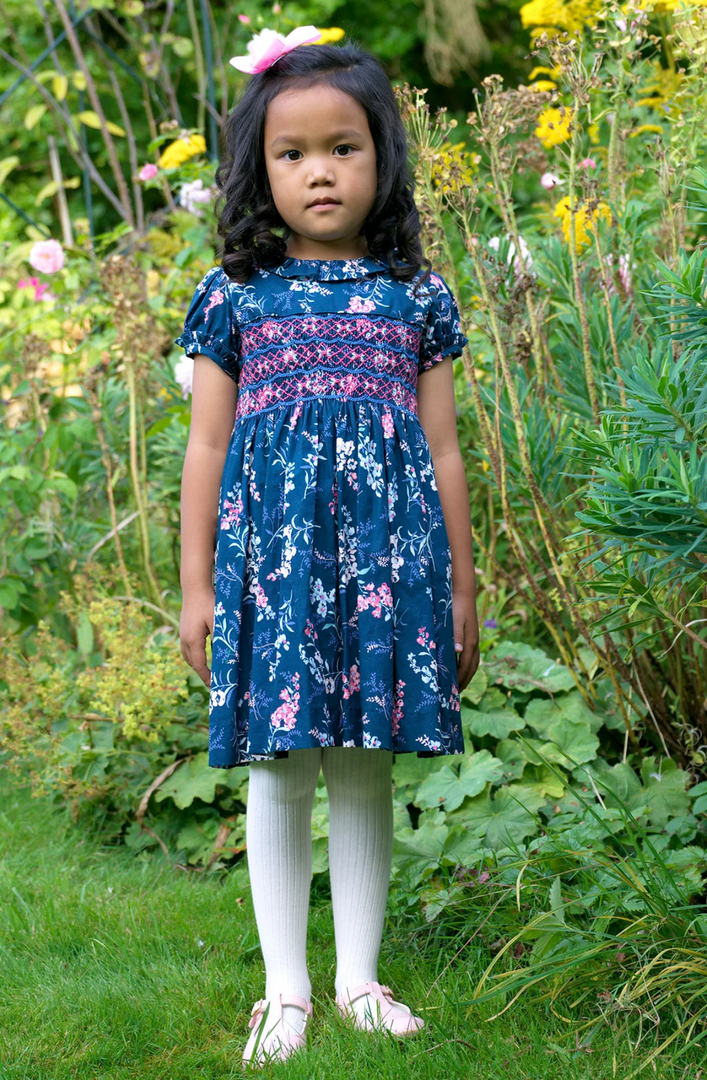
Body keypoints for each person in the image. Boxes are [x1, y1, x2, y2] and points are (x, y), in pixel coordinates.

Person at [176, 28, 479, 1070]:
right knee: (281, 762)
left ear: (382, 158)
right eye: (293, 151)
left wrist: (462, 593)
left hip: (388, 567)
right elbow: (207, 443)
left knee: (362, 760)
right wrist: (195, 590)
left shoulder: (417, 295)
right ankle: (285, 991)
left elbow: (442, 450)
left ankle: (358, 978)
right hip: (275, 566)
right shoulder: (234, 296)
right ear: (260, 168)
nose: (319, 170)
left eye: (344, 147)